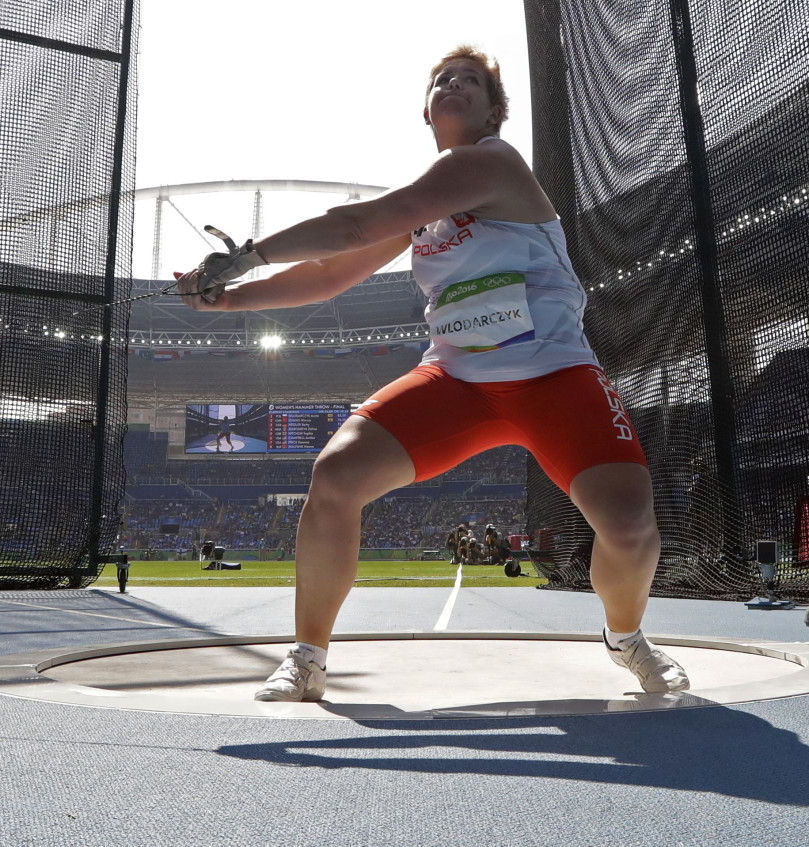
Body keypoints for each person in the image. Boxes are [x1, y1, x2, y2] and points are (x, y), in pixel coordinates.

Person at [176, 46, 688, 701]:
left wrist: (244, 257)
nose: (452, 85)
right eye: (441, 80)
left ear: (493, 112)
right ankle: (307, 657)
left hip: (555, 375)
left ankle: (627, 638)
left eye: (468, 81)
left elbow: (356, 222)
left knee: (628, 526)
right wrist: (230, 298)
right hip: (456, 382)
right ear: (426, 109)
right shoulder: (423, 211)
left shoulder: (492, 163)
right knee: (335, 474)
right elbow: (332, 272)